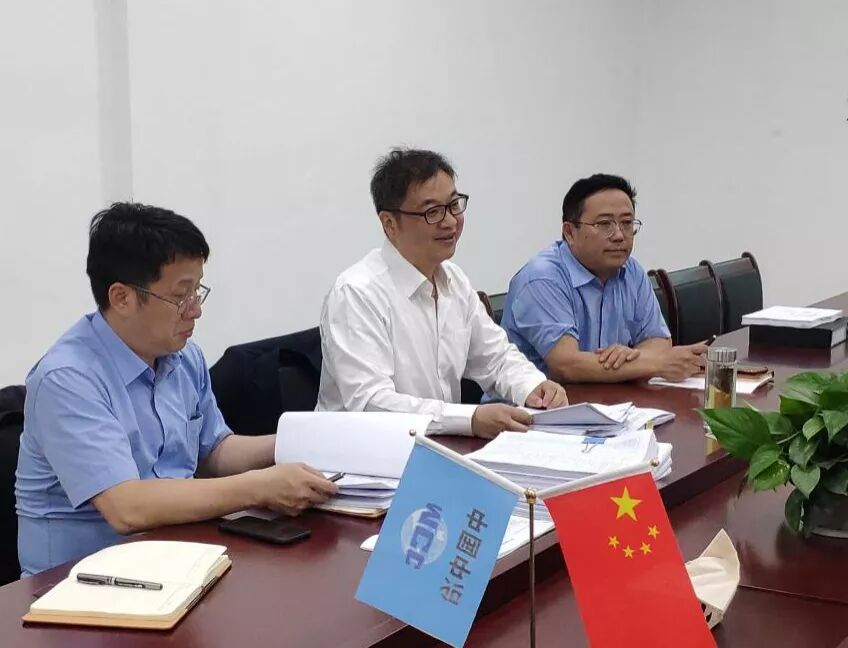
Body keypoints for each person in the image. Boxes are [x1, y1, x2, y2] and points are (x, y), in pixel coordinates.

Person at [15, 203, 337, 575]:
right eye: (181, 295)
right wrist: (259, 487)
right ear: (122, 298)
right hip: (77, 583)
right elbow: (126, 507)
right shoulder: (68, 379)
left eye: (198, 290)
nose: (195, 310)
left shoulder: (183, 357)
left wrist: (300, 442)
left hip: (175, 559)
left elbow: (213, 453)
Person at [317, 148, 568, 437]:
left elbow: (496, 358)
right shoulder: (356, 293)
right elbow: (371, 403)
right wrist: (469, 419)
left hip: (440, 445)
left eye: (453, 205)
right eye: (432, 212)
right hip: (363, 454)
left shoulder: (453, 280)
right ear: (390, 224)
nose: (450, 222)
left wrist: (534, 387)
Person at [501, 173, 707, 383]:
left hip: (608, 397)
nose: (619, 235)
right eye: (604, 224)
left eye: (627, 223)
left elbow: (659, 341)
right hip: (536, 402)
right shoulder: (542, 278)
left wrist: (630, 357)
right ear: (570, 232)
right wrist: (655, 364)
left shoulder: (631, 270)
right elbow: (567, 365)